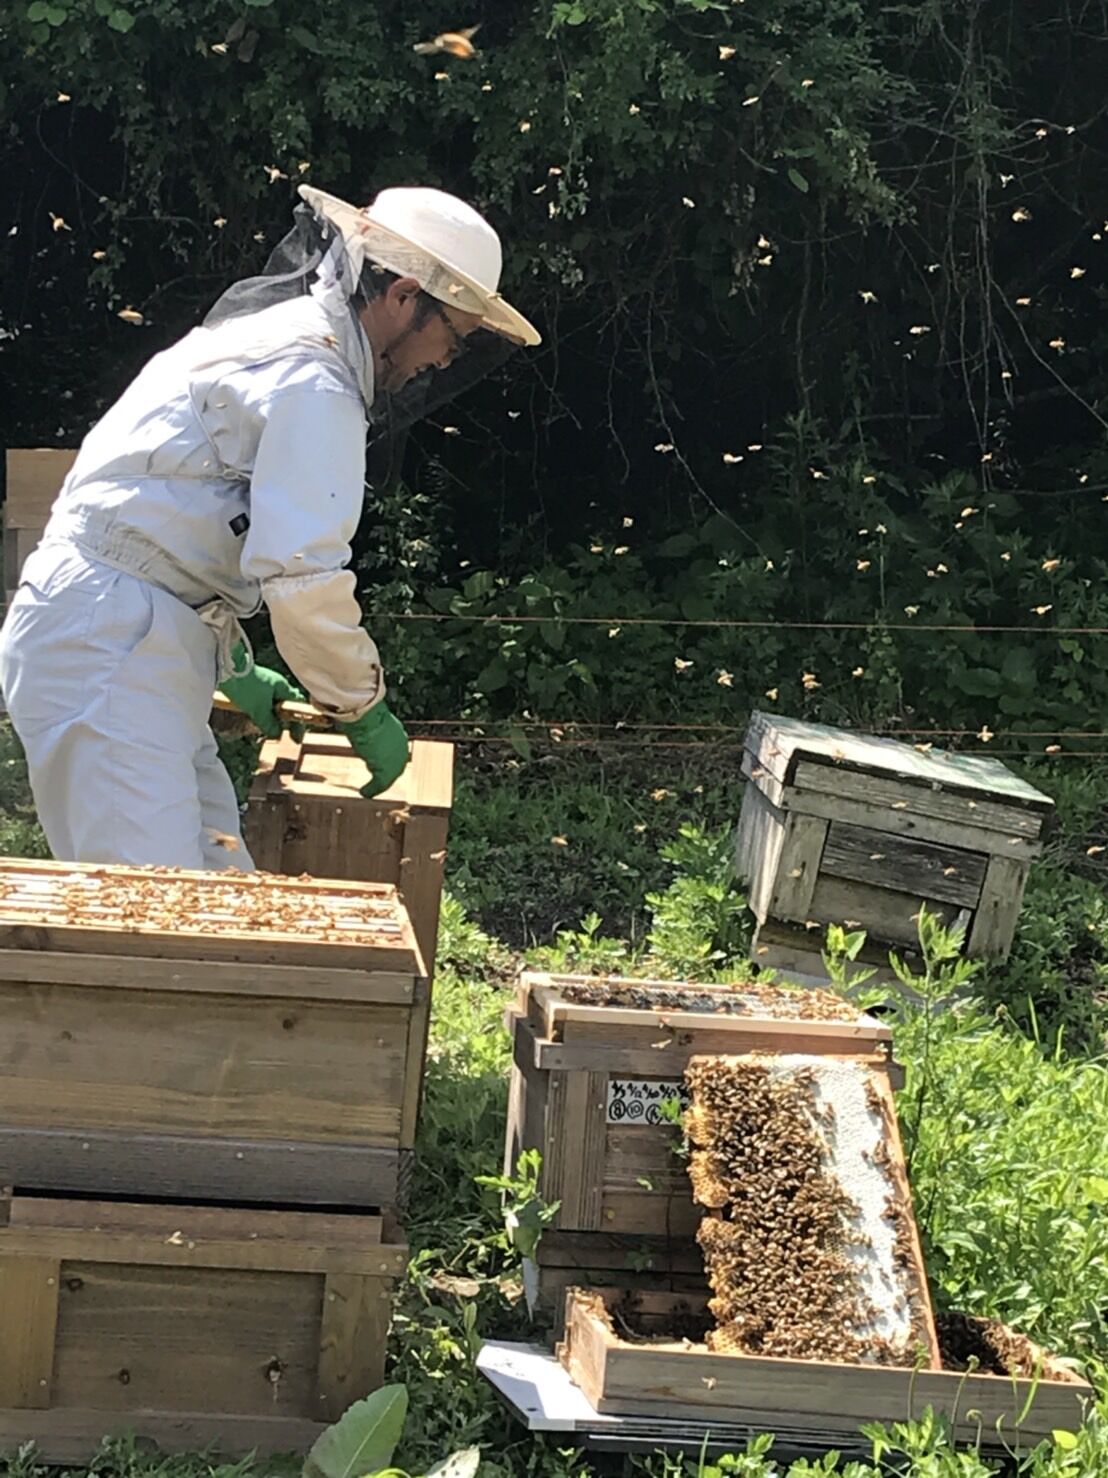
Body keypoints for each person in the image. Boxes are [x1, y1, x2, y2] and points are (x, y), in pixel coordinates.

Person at [0, 183, 540, 869]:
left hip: (128, 637)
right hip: (107, 650)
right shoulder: (313, 379)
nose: (444, 360)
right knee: (157, 932)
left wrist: (235, 661)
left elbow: (169, 513)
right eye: (454, 337)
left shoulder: (282, 343)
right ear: (405, 296)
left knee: (219, 897)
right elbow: (303, 575)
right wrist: (359, 705)